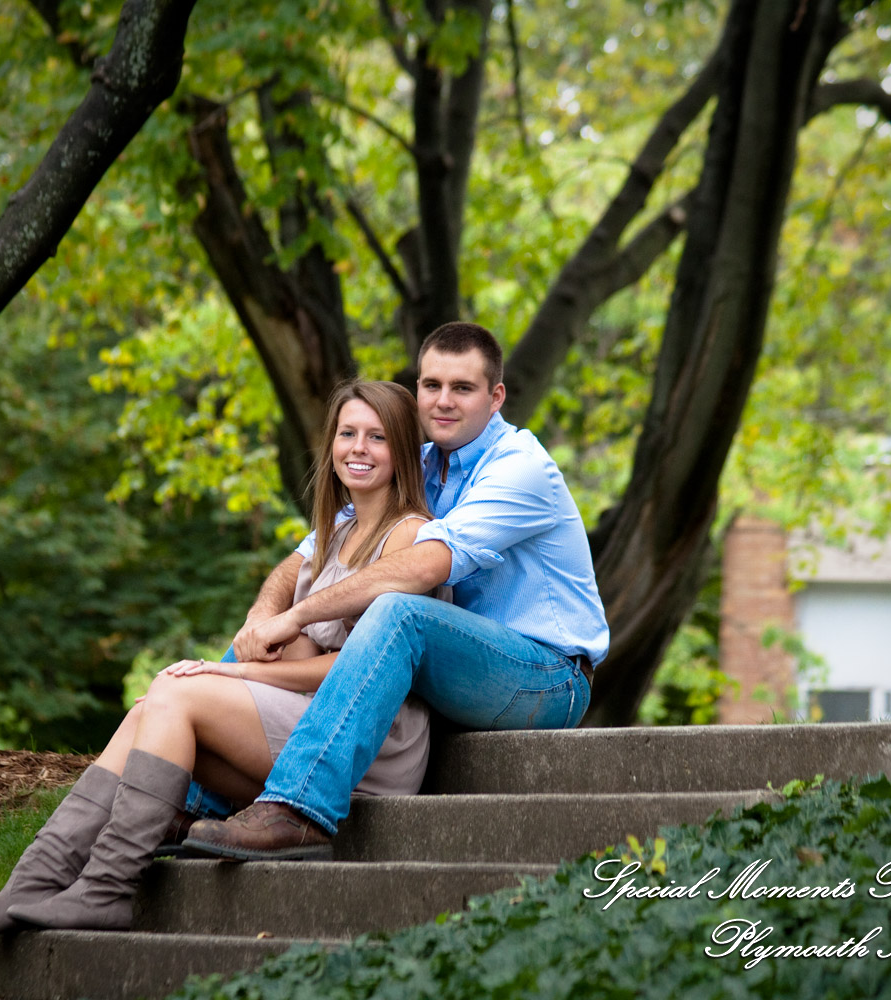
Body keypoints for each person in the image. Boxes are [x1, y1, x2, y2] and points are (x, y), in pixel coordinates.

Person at [0, 380, 438, 934]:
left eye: (376, 437)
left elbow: (363, 673)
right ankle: (34, 879)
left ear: (402, 451)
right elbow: (290, 624)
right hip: (307, 716)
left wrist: (232, 670)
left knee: (172, 694)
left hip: (365, 740)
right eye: (347, 433)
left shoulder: (408, 535)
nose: (358, 448)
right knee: (147, 710)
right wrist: (257, 639)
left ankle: (106, 887)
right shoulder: (338, 530)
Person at [184, 321, 609, 860]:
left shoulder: (521, 468)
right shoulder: (422, 463)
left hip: (545, 677)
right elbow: (313, 550)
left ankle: (300, 810)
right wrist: (262, 616)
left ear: (495, 396)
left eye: (463, 388)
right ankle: (198, 803)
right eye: (431, 385)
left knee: (398, 611)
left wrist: (295, 620)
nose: (443, 401)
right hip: (456, 666)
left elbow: (427, 565)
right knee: (284, 622)